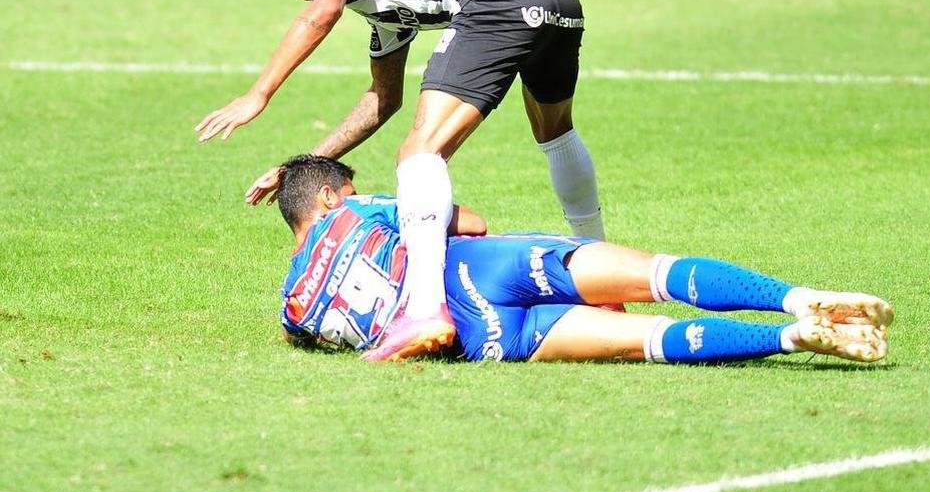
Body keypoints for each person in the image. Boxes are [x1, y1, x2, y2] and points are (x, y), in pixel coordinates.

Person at [196, 0, 605, 359]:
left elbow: (321, 14)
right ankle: (605, 286)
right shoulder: (384, 1)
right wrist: (302, 168)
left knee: (419, 156)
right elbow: (381, 100)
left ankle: (424, 311)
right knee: (555, 135)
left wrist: (259, 93)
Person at [276, 155, 893, 365]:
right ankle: (795, 299)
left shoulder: (293, 307)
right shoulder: (352, 212)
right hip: (480, 267)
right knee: (658, 275)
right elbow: (469, 223)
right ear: (329, 197)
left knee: (646, 339)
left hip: (484, 338)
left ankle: (787, 339)